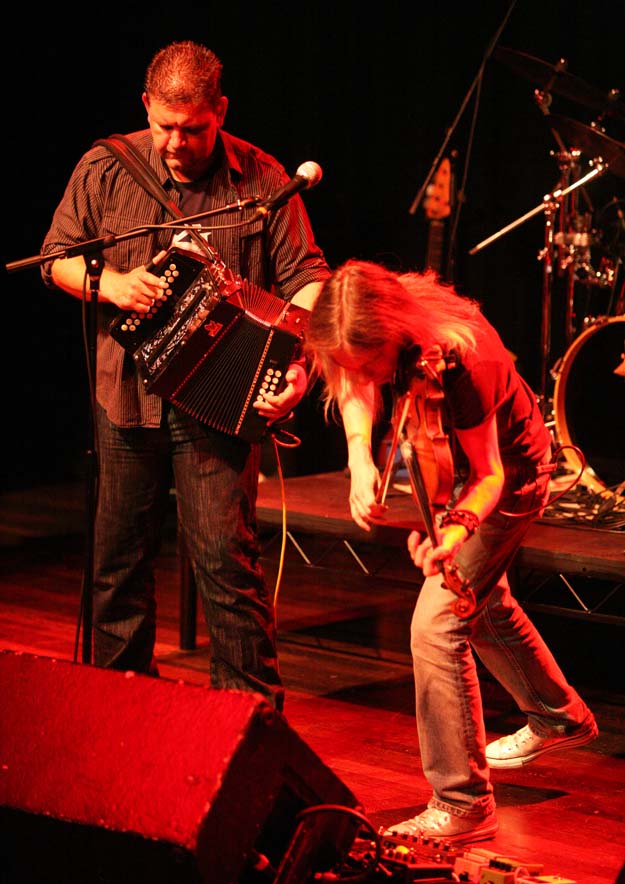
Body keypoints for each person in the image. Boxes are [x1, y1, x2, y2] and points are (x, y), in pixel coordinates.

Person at [40, 40, 330, 712]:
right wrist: (112, 284)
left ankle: (246, 723)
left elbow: (308, 279)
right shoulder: (104, 167)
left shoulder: (264, 179)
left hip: (217, 407)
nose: (176, 143)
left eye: (193, 129)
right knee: (117, 569)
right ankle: (121, 713)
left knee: (227, 568)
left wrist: (297, 360)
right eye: (164, 126)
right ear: (146, 106)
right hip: (124, 399)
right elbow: (55, 259)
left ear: (219, 111)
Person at [304, 258, 598, 843]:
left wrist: (455, 533)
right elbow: (353, 378)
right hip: (453, 474)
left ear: (394, 336)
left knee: (436, 627)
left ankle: (463, 802)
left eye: (371, 362)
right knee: (479, 602)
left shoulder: (465, 358)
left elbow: (489, 476)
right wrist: (359, 458)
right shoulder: (371, 324)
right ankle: (558, 715)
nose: (365, 376)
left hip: (510, 479)